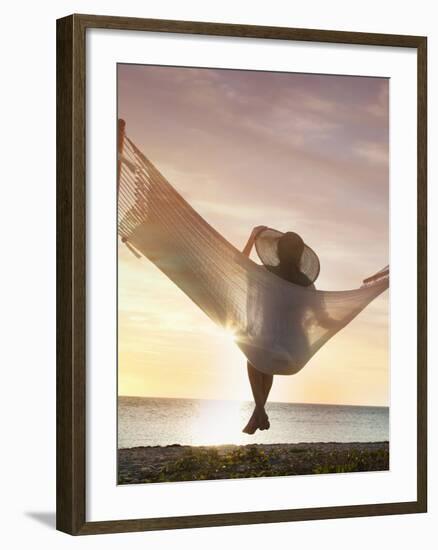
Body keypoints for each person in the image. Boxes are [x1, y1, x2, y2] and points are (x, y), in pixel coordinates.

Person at [241, 226, 314, 434]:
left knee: (254, 356)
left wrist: (253, 236)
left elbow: (237, 263)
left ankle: (260, 411)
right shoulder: (306, 285)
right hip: (294, 344)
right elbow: (322, 318)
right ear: (300, 256)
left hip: (266, 338)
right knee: (266, 364)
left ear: (278, 252)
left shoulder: (265, 274)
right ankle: (257, 415)